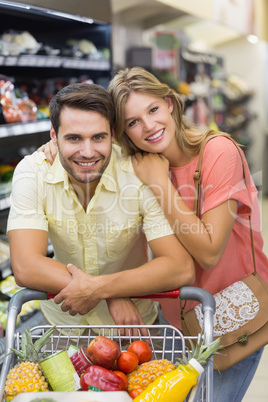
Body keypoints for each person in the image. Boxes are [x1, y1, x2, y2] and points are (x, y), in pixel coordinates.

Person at [106, 67, 268, 401]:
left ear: (169, 104)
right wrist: (46, 154)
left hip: (231, 316)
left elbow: (209, 251)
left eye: (152, 110)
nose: (148, 126)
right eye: (133, 122)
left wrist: (160, 184)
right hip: (173, 323)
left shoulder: (217, 152)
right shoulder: (136, 164)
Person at [7, 82, 195, 339]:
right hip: (62, 325)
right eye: (74, 138)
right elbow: (26, 266)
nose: (87, 152)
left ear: (113, 134)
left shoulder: (139, 174)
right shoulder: (33, 172)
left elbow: (180, 267)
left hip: (133, 328)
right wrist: (110, 295)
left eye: (98, 137)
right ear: (53, 135)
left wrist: (101, 289)